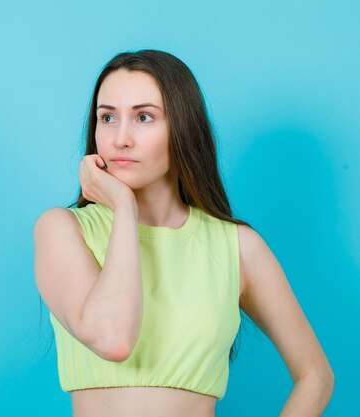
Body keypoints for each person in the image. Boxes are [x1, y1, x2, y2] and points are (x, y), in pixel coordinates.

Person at [33, 49, 335, 417]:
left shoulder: (236, 247)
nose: (120, 138)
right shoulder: (62, 230)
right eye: (107, 117)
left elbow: (316, 376)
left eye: (144, 117)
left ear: (182, 127)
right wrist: (124, 210)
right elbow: (113, 339)